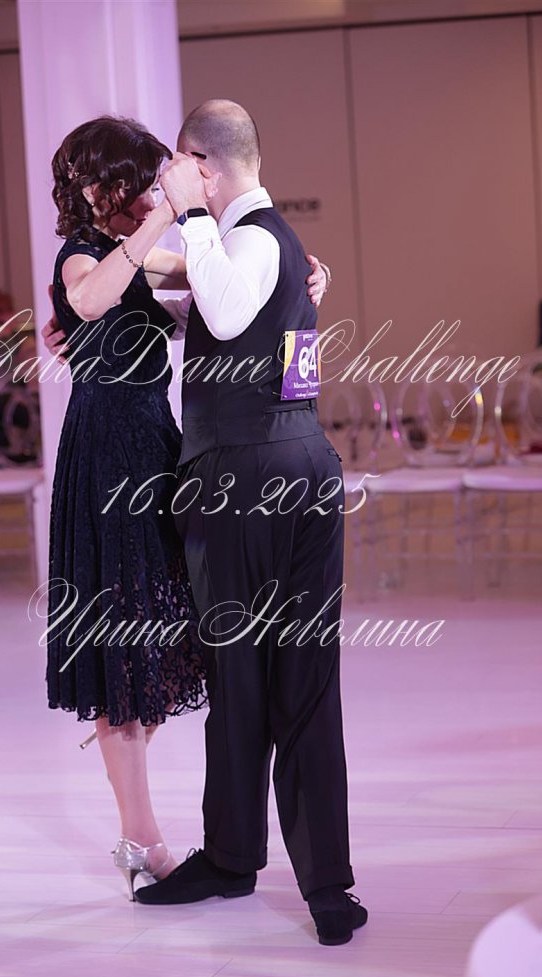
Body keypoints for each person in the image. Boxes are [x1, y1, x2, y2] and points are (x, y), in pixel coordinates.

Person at [41, 114, 329, 901]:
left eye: (151, 184)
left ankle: (147, 815)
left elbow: (214, 289)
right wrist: (168, 215)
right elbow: (88, 299)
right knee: (119, 650)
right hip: (107, 462)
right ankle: (140, 836)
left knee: (161, 642)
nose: (148, 195)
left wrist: (303, 277)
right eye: (135, 184)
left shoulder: (143, 253)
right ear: (95, 187)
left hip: (160, 451)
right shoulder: (84, 254)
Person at [131, 100, 367, 949]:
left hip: (251, 481)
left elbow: (227, 314)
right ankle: (294, 876)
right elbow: (219, 316)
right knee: (281, 681)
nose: (170, 179)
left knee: (258, 679)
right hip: (296, 470)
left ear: (204, 164)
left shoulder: (253, 241)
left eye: (178, 165)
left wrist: (190, 214)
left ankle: (269, 868)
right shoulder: (267, 247)